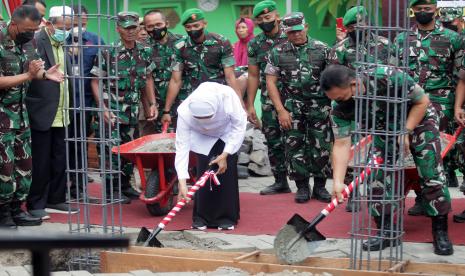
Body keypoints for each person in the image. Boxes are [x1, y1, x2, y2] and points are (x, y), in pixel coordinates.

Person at [322, 64, 453, 256]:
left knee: (430, 173)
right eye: (335, 100)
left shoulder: (388, 77)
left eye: (341, 97)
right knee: (376, 176)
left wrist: (405, 130)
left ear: (354, 84)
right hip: (383, 128)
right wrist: (339, 182)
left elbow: (422, 102)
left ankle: (440, 232)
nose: (340, 103)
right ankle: (385, 231)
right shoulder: (339, 105)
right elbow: (341, 144)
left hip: (418, 120)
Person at [392, 0, 465, 216]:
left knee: (441, 155)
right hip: (409, 105)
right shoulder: (402, 38)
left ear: (436, 10)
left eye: (428, 8)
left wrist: (458, 106)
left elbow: (461, 75)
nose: (424, 12)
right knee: (413, 154)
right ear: (413, 11)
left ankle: (439, 204)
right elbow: (395, 73)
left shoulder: (453, 38)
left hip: (441, 105)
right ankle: (422, 198)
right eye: (419, 9)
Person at [0, 5, 64, 228]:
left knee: (24, 165)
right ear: (14, 23)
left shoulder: (29, 42)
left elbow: (33, 70)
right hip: (2, 116)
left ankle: (18, 209)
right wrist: (28, 75)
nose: (31, 34)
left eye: (34, 30)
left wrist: (45, 74)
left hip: (21, 115)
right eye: (27, 29)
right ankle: (3, 213)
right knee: (3, 168)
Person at [265, 12, 332, 204]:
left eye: (298, 30)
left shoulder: (323, 49)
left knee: (322, 146)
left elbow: (332, 78)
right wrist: (280, 110)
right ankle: (302, 186)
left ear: (306, 27)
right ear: (285, 32)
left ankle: (320, 186)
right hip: (292, 108)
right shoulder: (277, 52)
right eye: (291, 32)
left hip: (319, 107)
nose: (296, 35)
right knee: (294, 147)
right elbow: (271, 82)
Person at [90, 12, 157, 204]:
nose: (130, 32)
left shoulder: (144, 51)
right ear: (118, 29)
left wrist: (151, 104)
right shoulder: (108, 52)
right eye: (126, 28)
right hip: (111, 110)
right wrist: (101, 107)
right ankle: (111, 190)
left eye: (133, 28)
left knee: (129, 150)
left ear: (139, 28)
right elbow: (95, 81)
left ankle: (125, 186)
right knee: (110, 150)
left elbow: (147, 79)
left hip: (132, 112)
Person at [329, 5, 390, 212]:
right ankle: (352, 192)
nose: (356, 28)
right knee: (352, 149)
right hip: (351, 107)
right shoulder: (339, 49)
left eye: (359, 24)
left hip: (381, 107)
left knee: (377, 152)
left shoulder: (385, 45)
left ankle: (380, 195)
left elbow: (395, 74)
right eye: (351, 26)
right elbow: (334, 80)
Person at [26, 5, 78, 220]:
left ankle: (55, 198)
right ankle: (36, 202)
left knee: (60, 159)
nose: (65, 31)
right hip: (43, 109)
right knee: (41, 160)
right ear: (49, 24)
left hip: (63, 109)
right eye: (61, 27)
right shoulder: (35, 42)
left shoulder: (65, 44)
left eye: (69, 27)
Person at [175, 82, 247, 230]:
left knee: (225, 173)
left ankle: (226, 217)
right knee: (203, 171)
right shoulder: (184, 111)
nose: (206, 122)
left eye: (209, 117)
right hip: (201, 136)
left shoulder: (227, 97)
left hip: (227, 133)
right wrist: (182, 181)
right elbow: (182, 146)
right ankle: (201, 216)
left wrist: (225, 154)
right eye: (201, 118)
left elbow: (239, 126)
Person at [161, 8, 241, 127]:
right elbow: (175, 80)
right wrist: (166, 111)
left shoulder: (221, 42)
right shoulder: (180, 47)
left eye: (196, 25)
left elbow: (230, 77)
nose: (192, 29)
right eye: (188, 27)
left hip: (217, 98)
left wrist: (239, 105)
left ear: (204, 24)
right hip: (191, 99)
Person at [246, 0, 289, 196]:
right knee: (273, 140)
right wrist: (250, 105)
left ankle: (308, 185)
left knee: (300, 141)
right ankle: (280, 182)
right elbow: (253, 75)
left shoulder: (291, 36)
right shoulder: (255, 43)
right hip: (269, 100)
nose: (265, 22)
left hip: (295, 97)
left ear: (277, 16)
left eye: (268, 17)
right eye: (260, 19)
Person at [66, 4, 105, 198]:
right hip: (60, 105)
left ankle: (78, 189)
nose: (78, 24)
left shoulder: (96, 41)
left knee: (80, 146)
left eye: (82, 20)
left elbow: (102, 76)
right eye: (74, 20)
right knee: (60, 148)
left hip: (84, 104)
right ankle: (58, 189)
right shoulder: (58, 41)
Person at [139, 10, 183, 136]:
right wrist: (152, 104)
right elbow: (148, 78)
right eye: (150, 26)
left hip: (182, 101)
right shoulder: (143, 49)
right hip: (159, 105)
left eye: (158, 24)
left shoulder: (182, 43)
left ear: (167, 23)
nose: (155, 29)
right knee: (164, 140)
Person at [438, 7, 465, 192]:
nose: (449, 24)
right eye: (446, 22)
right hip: (449, 95)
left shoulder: (460, 40)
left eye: (452, 21)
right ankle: (448, 173)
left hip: (458, 93)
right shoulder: (443, 38)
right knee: (447, 136)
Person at [233, 17, 254, 97]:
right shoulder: (235, 45)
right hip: (236, 77)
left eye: (244, 27)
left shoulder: (256, 43)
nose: (240, 30)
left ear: (250, 28)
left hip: (252, 76)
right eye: (238, 28)